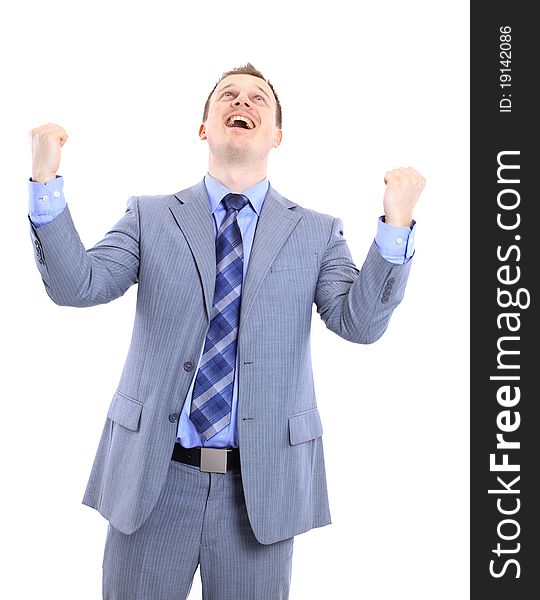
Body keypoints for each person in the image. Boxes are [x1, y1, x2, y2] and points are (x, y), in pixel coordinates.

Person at [28, 63, 425, 599]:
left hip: (258, 492)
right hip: (153, 480)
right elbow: (78, 284)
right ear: (204, 126)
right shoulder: (151, 217)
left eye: (259, 98)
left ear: (277, 135)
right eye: (229, 96)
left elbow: (358, 323)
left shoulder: (315, 232)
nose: (244, 102)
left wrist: (395, 226)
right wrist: (45, 184)